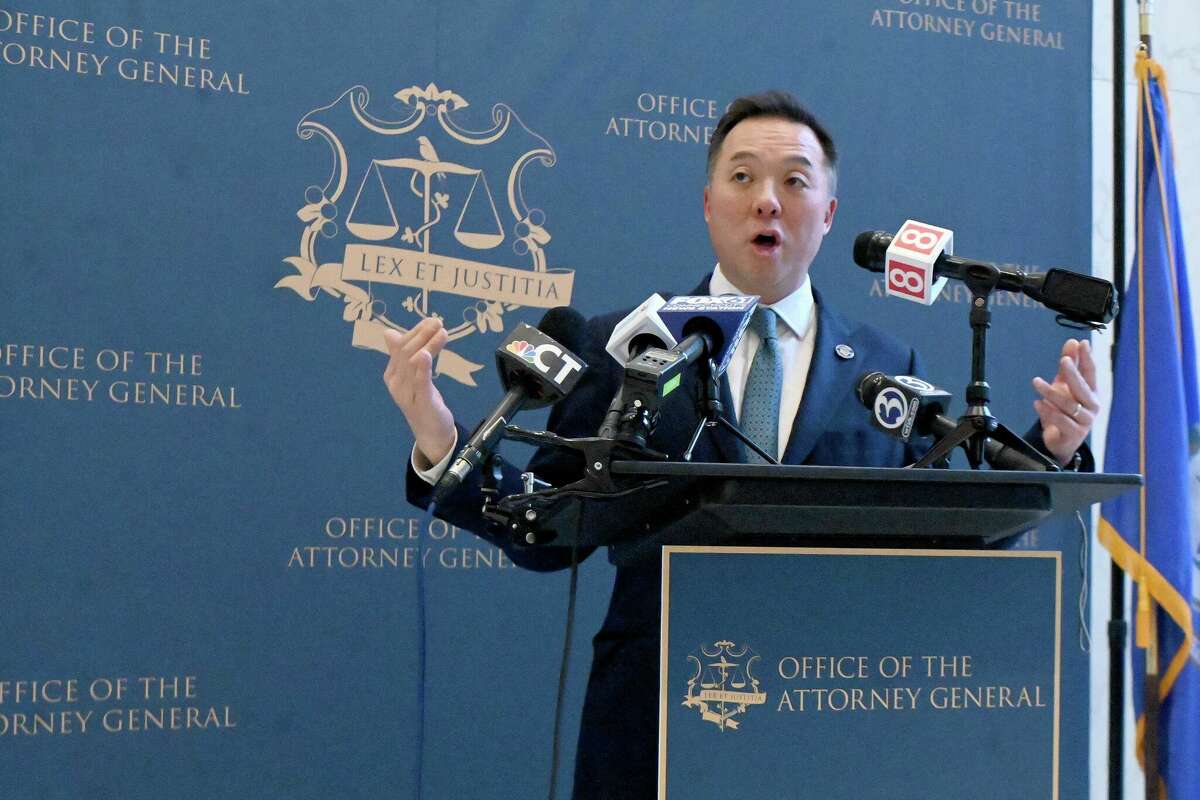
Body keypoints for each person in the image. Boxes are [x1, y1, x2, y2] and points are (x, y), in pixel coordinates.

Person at [383, 91, 1100, 798]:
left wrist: (1051, 450)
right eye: (742, 176)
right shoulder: (632, 345)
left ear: (828, 214)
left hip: (830, 729)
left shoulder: (886, 365)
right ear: (707, 206)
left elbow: (937, 549)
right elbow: (542, 532)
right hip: (653, 726)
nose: (767, 201)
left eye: (794, 181)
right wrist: (443, 439)